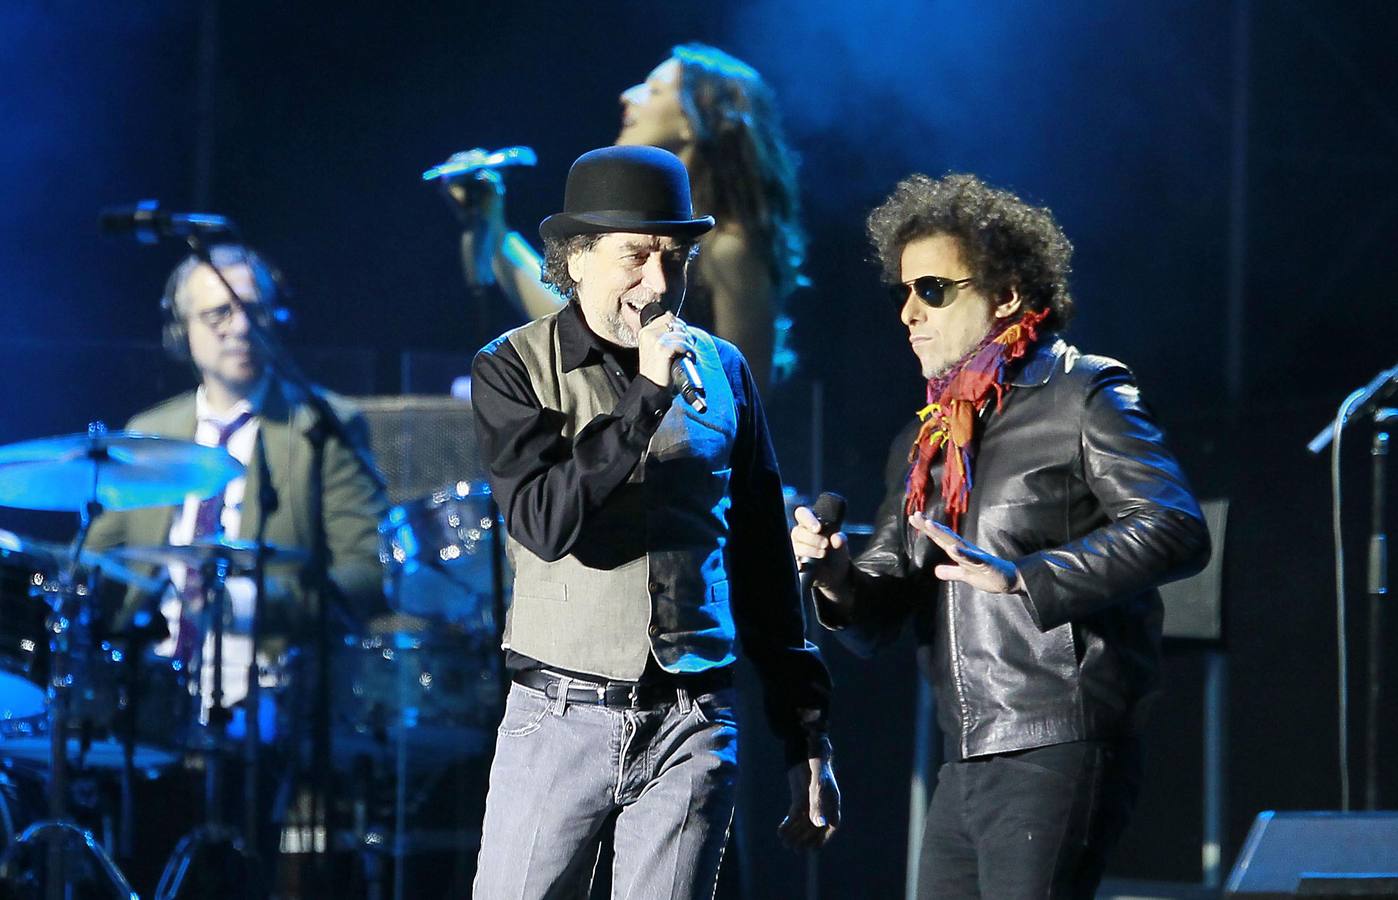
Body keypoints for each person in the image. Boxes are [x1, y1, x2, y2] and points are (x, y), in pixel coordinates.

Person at [791, 173, 1210, 899]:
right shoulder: (927, 439)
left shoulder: (1083, 394)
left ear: (1006, 294)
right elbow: (880, 606)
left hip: (1057, 736)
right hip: (967, 752)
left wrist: (1025, 576)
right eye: (902, 294)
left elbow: (1175, 526)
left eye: (932, 289)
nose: (909, 313)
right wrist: (832, 573)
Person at [470, 145, 838, 899]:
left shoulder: (726, 370)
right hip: (560, 717)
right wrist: (642, 398)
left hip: (693, 718)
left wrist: (806, 739)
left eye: (677, 257)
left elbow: (764, 563)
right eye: (636, 256)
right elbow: (543, 520)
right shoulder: (513, 367)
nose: (661, 283)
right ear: (574, 260)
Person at [84, 243, 388, 894]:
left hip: (272, 696)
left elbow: (365, 575)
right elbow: (96, 561)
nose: (240, 328)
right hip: (149, 698)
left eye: (252, 310)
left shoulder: (320, 426)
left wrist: (246, 604)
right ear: (181, 332)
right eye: (217, 314)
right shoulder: (148, 432)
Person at [447, 42, 806, 393]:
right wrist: (493, 227)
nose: (627, 96)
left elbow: (743, 393)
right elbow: (573, 310)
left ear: (693, 122)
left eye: (654, 90)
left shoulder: (731, 249)